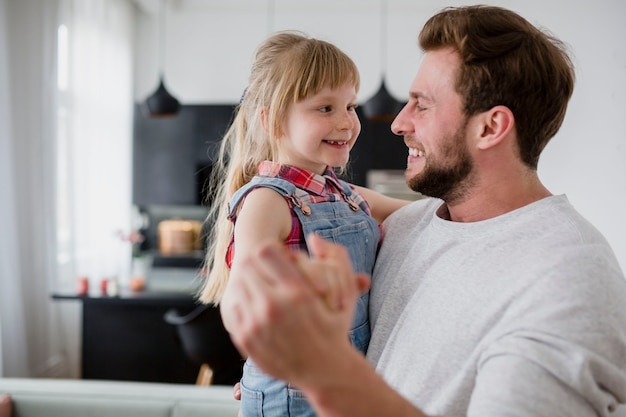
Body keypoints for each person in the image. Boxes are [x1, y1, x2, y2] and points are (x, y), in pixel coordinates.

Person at [219, 5, 626, 417]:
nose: (397, 123)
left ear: (490, 128)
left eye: (422, 105)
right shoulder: (405, 229)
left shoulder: (569, 280)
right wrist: (274, 379)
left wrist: (329, 377)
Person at [198, 31, 408, 417]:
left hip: (341, 385)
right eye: (324, 108)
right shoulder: (267, 200)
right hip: (293, 397)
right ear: (272, 120)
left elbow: (420, 214)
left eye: (350, 105)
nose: (346, 121)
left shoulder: (342, 194)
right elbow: (240, 299)